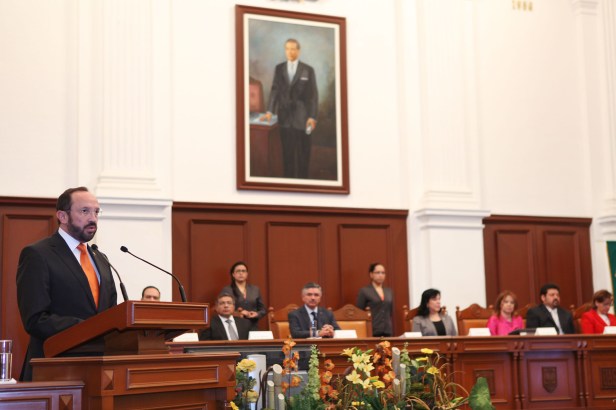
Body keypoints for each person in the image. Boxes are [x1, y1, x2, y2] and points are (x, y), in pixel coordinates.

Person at [16, 187, 117, 381]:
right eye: (85, 211)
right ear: (62, 216)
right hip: (54, 369)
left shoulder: (101, 259)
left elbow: (111, 314)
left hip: (100, 371)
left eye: (96, 212)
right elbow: (35, 318)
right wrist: (91, 328)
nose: (93, 218)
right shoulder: (38, 254)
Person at [261, 38, 318, 179]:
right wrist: (269, 111)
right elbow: (275, 91)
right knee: (287, 156)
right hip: (285, 119)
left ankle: (303, 184)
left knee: (303, 156)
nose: (290, 52)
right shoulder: (279, 68)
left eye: (293, 49)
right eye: (287, 49)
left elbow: (313, 96)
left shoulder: (308, 70)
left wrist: (312, 117)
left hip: (303, 119)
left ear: (298, 51)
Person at [221, 261, 266, 331]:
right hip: (234, 327)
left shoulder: (255, 289)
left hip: (252, 327)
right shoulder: (227, 290)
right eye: (238, 271)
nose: (241, 273)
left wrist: (256, 314)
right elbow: (222, 310)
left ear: (247, 274)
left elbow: (263, 310)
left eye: (243, 271)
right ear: (233, 274)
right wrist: (238, 313)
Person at [356, 262, 393, 337]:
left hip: (387, 330)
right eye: (377, 272)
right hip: (372, 331)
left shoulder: (389, 291)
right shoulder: (364, 291)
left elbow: (390, 311)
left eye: (383, 273)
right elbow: (359, 312)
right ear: (371, 274)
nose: (380, 275)